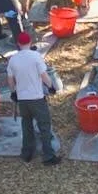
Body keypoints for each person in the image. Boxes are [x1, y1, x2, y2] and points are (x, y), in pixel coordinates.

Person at [6, 33, 59, 164]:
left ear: (18, 43)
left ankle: (27, 153)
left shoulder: (13, 59)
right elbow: (44, 75)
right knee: (44, 126)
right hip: (36, 98)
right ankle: (48, 156)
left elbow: (10, 79)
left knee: (26, 125)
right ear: (30, 42)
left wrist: (13, 92)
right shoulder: (35, 56)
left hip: (23, 99)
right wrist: (51, 86)